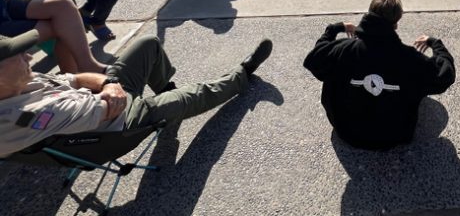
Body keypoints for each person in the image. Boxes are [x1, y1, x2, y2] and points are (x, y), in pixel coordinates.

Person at [0, 29, 273, 158]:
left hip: (107, 101)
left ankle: (167, 95)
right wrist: (109, 89)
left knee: (148, 43)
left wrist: (107, 82)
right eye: (15, 54)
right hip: (116, 127)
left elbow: (75, 78)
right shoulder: (20, 116)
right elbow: (109, 108)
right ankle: (243, 74)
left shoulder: (21, 82)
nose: (28, 55)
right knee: (195, 94)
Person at [303, 0, 456, 150]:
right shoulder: (410, 59)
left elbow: (315, 58)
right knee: (417, 82)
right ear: (396, 23)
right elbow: (445, 75)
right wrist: (436, 44)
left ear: (368, 14)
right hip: (393, 136)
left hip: (346, 131)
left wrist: (334, 29)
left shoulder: (344, 49)